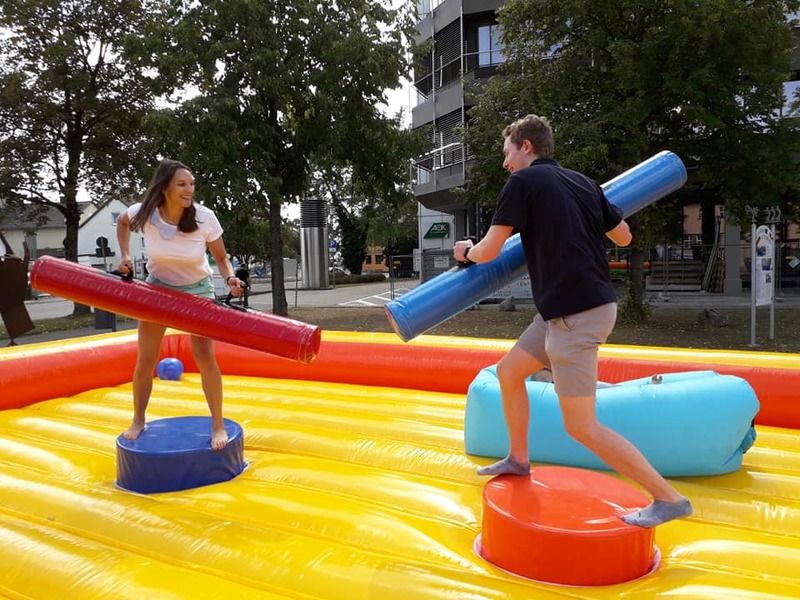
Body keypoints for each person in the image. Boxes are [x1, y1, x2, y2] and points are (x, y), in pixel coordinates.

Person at [453, 115, 692, 528]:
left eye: (507, 152)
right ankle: (518, 458)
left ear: (526, 146)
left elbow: (490, 250)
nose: (505, 162)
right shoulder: (583, 183)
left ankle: (668, 498)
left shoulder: (522, 183)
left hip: (574, 315)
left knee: (581, 426)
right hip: (570, 310)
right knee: (510, 373)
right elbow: (624, 237)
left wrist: (465, 250)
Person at [117, 158, 243, 450]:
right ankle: (138, 419)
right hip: (158, 289)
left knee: (205, 357)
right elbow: (123, 222)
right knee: (145, 359)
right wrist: (124, 255)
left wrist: (231, 278)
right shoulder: (146, 213)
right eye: (182, 185)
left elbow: (221, 258)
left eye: (192, 184)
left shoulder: (203, 217)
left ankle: (217, 424)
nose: (190, 190)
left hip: (198, 290)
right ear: (164, 188)